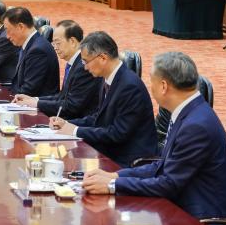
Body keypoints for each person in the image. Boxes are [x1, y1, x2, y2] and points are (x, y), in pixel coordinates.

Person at [82, 52, 226, 225]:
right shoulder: (188, 113)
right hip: (184, 210)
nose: (150, 87)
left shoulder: (196, 126)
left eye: (152, 81)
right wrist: (115, 176)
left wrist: (111, 186)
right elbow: (162, 166)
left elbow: (168, 184)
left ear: (164, 86)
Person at [50, 31, 158, 167]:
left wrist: (75, 131)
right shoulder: (107, 78)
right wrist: (67, 123)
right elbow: (99, 117)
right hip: (111, 149)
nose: (85, 67)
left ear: (102, 58)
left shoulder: (129, 86)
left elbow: (117, 134)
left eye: (86, 61)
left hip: (129, 159)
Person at [14, 20, 102, 119]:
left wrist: (37, 104)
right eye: (53, 43)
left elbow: (72, 106)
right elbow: (61, 96)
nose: (55, 48)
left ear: (72, 41)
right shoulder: (73, 63)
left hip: (80, 122)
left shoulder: (84, 67)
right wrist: (34, 99)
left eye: (58, 43)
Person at [3, 7, 59, 97]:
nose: (7, 36)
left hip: (38, 108)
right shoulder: (29, 43)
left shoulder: (38, 50)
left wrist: (6, 98)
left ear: (21, 27)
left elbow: (29, 90)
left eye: (8, 30)